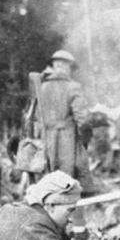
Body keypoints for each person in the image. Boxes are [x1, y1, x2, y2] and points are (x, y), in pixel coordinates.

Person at [39, 50, 96, 196]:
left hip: (47, 142)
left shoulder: (41, 88)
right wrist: (85, 140)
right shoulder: (73, 87)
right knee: (74, 184)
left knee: (51, 185)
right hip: (68, 142)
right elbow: (83, 120)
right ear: (67, 67)